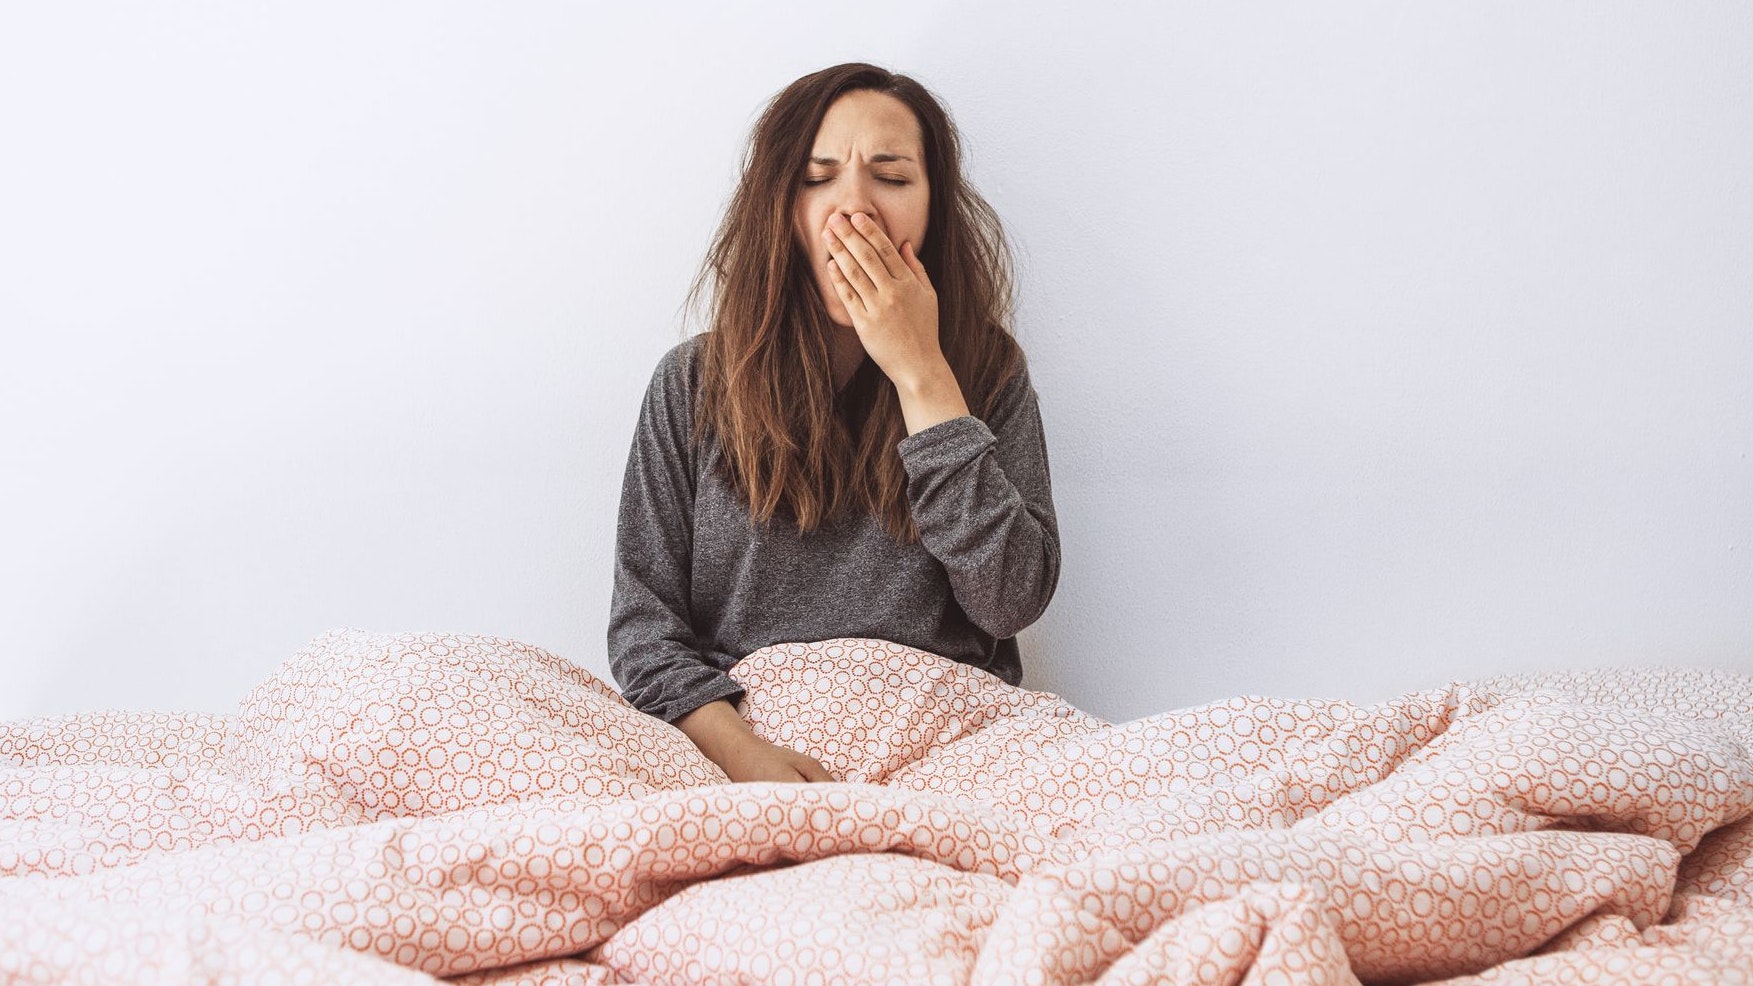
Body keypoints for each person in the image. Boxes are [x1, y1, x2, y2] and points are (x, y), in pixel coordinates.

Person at [607, 62, 1060, 784]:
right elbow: (644, 630)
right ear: (778, 209)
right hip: (745, 739)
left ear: (934, 207)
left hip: (950, 743)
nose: (854, 209)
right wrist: (746, 756)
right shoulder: (692, 382)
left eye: (891, 176)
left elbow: (1008, 602)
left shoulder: (985, 372)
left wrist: (923, 376)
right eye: (817, 178)